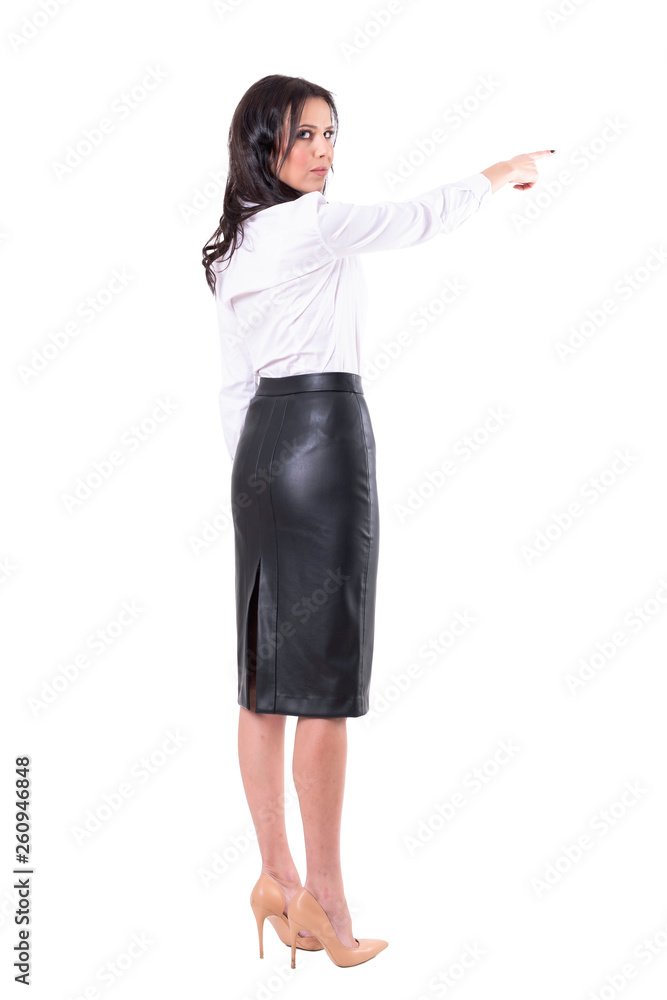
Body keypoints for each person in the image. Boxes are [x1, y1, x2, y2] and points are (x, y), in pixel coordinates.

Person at [202, 73, 554, 969]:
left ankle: (275, 876)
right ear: (263, 143)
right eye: (304, 135)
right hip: (322, 439)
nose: (322, 151)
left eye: (330, 134)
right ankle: (326, 900)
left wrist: (248, 481)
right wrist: (494, 174)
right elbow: (414, 219)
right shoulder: (312, 224)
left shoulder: (233, 246)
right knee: (322, 680)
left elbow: (234, 385)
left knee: (261, 675)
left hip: (259, 452)